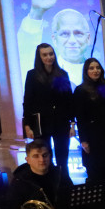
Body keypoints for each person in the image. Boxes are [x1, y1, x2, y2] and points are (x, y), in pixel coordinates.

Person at [73, 57, 105, 209]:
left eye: (97, 67)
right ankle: (96, 207)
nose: (95, 70)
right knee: (95, 172)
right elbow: (80, 117)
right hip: (92, 137)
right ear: (86, 71)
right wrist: (84, 140)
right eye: (91, 68)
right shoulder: (80, 90)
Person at [22, 43, 74, 178]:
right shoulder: (32, 75)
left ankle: (64, 183)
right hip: (41, 123)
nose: (49, 57)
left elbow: (69, 101)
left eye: (51, 54)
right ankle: (47, 184)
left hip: (61, 122)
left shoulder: (62, 74)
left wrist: (72, 124)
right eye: (45, 55)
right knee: (43, 157)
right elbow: (28, 101)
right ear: (39, 57)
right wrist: (27, 125)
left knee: (63, 157)